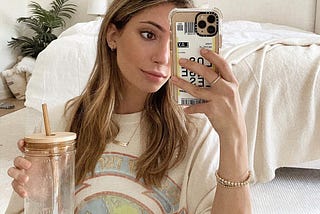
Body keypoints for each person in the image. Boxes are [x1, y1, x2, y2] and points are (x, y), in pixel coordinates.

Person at [6, 0, 251, 213]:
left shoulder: (196, 131)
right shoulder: (59, 124)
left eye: (174, 43)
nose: (163, 57)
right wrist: (38, 199)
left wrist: (235, 137)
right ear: (113, 35)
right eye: (148, 34)